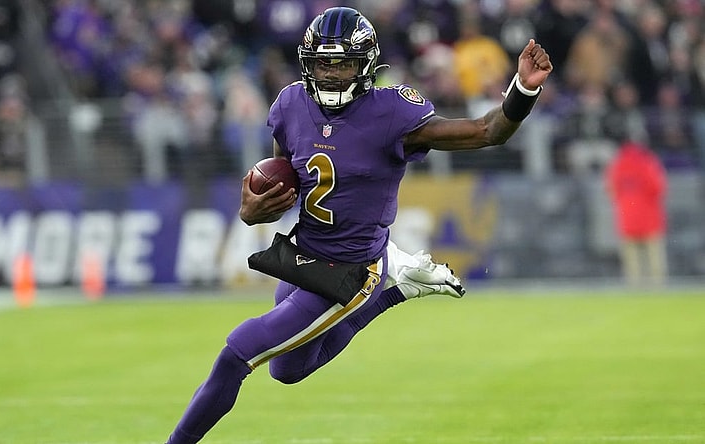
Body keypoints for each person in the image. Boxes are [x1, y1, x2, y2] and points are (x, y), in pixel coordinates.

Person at [164, 7, 552, 443]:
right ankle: (397, 288)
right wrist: (254, 210)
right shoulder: (291, 103)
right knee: (285, 370)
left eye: (343, 63)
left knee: (236, 353)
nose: (330, 75)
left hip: (349, 271)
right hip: (303, 253)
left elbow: (487, 131)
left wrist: (523, 91)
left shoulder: (391, 112)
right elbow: (284, 183)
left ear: (365, 64)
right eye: (321, 64)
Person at [604, 140, 668, 286]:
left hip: (627, 217)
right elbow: (658, 188)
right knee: (654, 255)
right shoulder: (648, 163)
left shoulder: (617, 166)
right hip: (649, 216)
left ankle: (634, 286)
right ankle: (658, 286)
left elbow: (611, 191)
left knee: (631, 258)